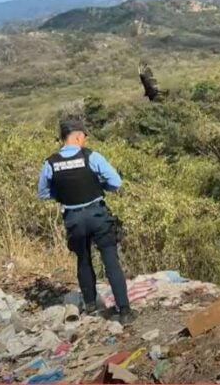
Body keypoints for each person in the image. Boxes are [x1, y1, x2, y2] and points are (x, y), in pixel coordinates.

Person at [37, 120, 135, 324]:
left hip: (73, 218)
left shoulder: (50, 163)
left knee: (83, 259)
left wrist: (64, 193)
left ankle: (90, 305)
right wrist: (99, 186)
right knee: (110, 260)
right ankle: (124, 311)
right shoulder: (91, 156)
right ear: (78, 137)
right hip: (97, 214)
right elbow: (116, 182)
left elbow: (43, 193)